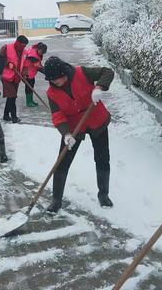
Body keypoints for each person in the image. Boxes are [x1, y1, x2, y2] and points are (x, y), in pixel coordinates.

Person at [44, 56, 114, 212]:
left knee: (102, 157)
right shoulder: (51, 93)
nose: (56, 82)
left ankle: (103, 194)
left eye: (58, 79)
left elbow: (107, 72)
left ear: (64, 73)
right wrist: (66, 134)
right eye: (52, 80)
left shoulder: (81, 73)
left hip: (96, 119)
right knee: (62, 162)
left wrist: (99, 87)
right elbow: (57, 115)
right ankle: (56, 200)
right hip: (73, 127)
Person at [0, 35, 29, 123]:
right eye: (22, 45)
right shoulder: (6, 48)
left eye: (25, 46)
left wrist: (24, 75)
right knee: (12, 96)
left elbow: (25, 65)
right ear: (17, 42)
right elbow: (0, 59)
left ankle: (5, 115)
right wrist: (8, 63)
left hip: (16, 77)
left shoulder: (25, 52)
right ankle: (14, 117)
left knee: (11, 97)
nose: (23, 47)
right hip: (6, 76)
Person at [22, 42, 47, 107]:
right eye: (41, 52)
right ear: (38, 49)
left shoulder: (35, 50)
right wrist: (47, 73)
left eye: (44, 52)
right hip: (27, 72)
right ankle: (29, 102)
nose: (42, 53)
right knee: (29, 86)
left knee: (31, 85)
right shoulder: (33, 56)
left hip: (31, 72)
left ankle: (31, 100)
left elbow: (39, 65)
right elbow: (38, 66)